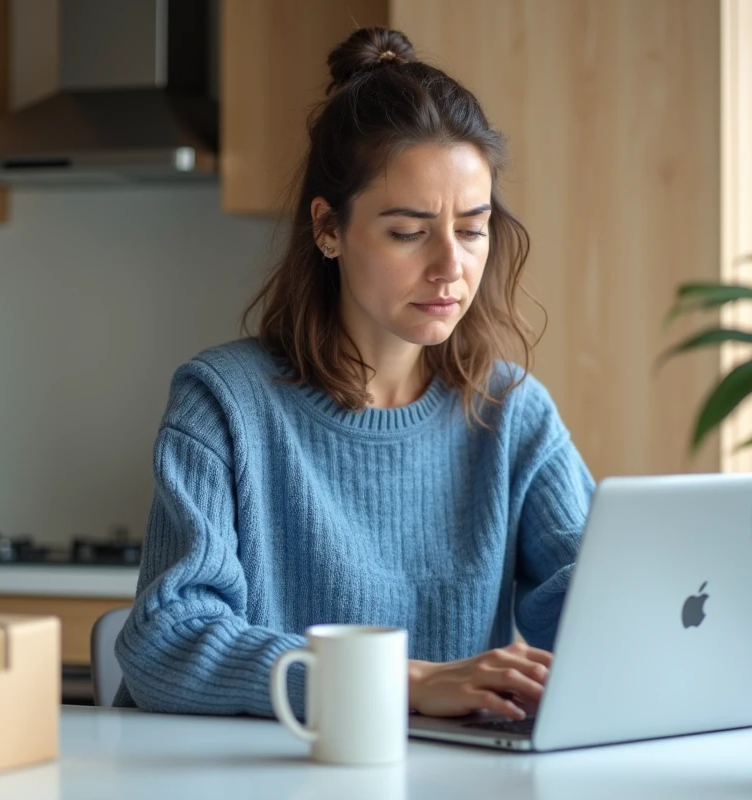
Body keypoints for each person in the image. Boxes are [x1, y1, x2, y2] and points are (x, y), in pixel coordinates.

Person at [114, 26, 593, 722]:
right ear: (328, 228)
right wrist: (400, 682)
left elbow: (588, 602)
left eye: (473, 228)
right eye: (408, 231)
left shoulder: (513, 412)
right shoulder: (222, 403)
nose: (450, 266)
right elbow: (167, 643)